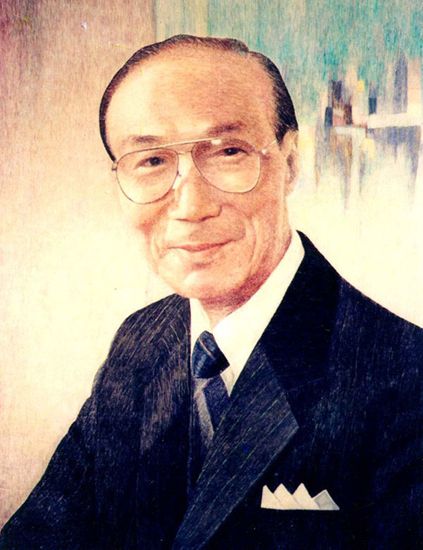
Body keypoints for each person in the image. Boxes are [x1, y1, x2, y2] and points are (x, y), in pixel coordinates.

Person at [0, 34, 421, 550]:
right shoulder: (141, 341)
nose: (191, 206)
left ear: (290, 163)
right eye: (151, 161)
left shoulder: (406, 374)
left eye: (227, 152)